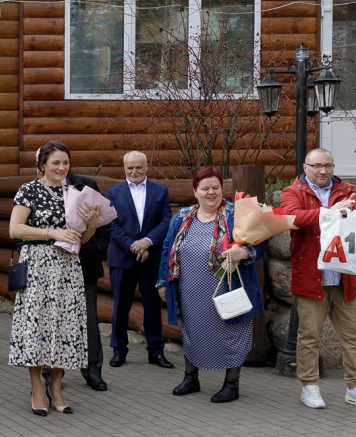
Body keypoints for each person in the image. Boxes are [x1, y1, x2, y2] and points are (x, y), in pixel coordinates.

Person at [279, 148, 356, 410]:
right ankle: (309, 387)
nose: (323, 171)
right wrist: (330, 212)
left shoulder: (347, 190)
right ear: (305, 167)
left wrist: (346, 210)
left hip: (346, 279)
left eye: (328, 165)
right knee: (309, 336)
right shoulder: (294, 192)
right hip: (312, 279)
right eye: (317, 165)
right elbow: (293, 218)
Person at [158, 168, 266, 404]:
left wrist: (245, 251)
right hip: (189, 290)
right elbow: (167, 249)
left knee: (232, 332)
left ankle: (231, 383)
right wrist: (162, 282)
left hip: (229, 288)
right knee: (191, 333)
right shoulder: (181, 217)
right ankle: (191, 377)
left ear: (222, 189)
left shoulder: (236, 214)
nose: (211, 192)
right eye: (205, 188)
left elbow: (262, 243)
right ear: (195, 191)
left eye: (215, 187)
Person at [7, 141, 98, 416]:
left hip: (69, 267)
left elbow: (82, 238)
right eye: (56, 162)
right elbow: (15, 229)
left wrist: (92, 223)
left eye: (65, 163)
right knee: (38, 326)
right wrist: (51, 233)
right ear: (43, 165)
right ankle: (37, 386)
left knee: (65, 326)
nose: (61, 167)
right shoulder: (29, 190)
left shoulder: (75, 193)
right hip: (38, 266)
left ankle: (56, 386)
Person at [105, 151, 173, 370]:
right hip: (123, 258)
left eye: (138, 168)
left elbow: (165, 221)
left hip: (151, 258)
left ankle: (155, 351)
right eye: (129, 168)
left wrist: (147, 241)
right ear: (124, 168)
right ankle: (118, 350)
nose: (134, 172)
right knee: (120, 306)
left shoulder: (160, 191)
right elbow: (111, 225)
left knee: (152, 306)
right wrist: (133, 246)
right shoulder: (113, 193)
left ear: (147, 167)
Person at [65, 166, 112, 391]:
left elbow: (102, 222)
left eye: (63, 161)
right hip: (54, 268)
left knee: (89, 322)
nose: (59, 167)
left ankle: (93, 371)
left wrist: (96, 248)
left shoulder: (87, 185)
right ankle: (50, 373)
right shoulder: (38, 190)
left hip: (86, 266)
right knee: (54, 321)